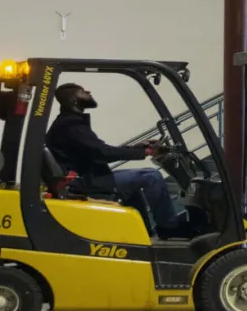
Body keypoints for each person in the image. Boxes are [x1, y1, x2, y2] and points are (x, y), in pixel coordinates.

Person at [46, 82, 186, 237]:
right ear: (73, 100)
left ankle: (145, 235)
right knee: (151, 176)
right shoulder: (71, 124)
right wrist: (146, 151)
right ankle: (170, 229)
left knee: (132, 185)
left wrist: (136, 149)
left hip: (87, 177)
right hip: (85, 182)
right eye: (82, 92)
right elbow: (103, 153)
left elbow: (99, 150)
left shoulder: (68, 123)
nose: (88, 91)